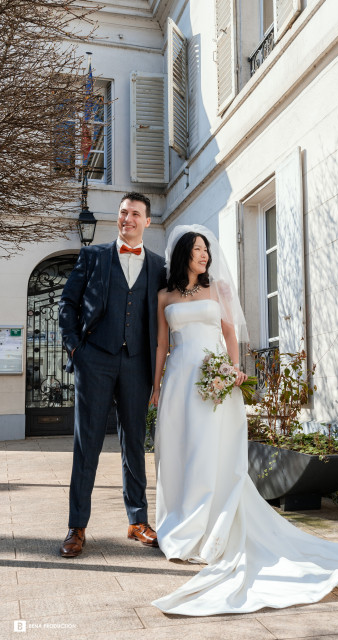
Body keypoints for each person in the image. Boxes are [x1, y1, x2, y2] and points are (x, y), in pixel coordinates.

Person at [150, 223, 338, 616]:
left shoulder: (217, 290)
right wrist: (156, 386)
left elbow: (230, 335)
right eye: (197, 249)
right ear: (182, 254)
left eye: (206, 249)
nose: (204, 255)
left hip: (214, 382)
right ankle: (180, 525)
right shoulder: (164, 296)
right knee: (180, 454)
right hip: (179, 383)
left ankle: (209, 529)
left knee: (210, 454)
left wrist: (232, 371)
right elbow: (162, 343)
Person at [58, 192, 166, 558]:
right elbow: (67, 304)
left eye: (135, 213)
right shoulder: (93, 256)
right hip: (95, 360)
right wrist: (76, 350)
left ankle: (138, 520)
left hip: (138, 365)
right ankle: (77, 526)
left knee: (134, 443)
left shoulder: (159, 265)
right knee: (86, 445)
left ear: (147, 221)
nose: (128, 218)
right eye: (123, 212)